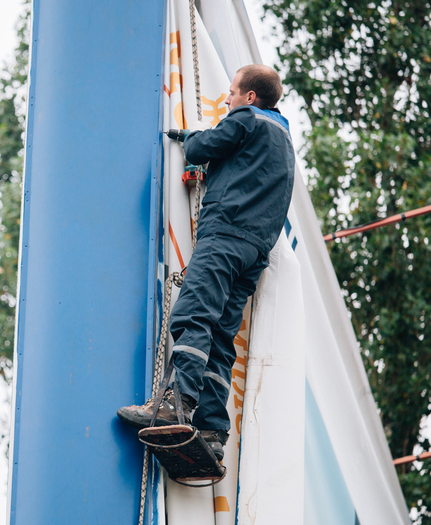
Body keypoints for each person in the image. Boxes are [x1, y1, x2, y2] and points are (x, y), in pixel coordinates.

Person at [117, 65, 295, 461]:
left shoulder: (246, 119)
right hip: (254, 253)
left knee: (193, 315)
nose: (228, 99)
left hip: (225, 237)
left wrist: (193, 137)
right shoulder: (283, 137)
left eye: (232, 93)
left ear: (250, 97)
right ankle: (214, 430)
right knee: (219, 339)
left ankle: (172, 405)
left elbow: (201, 148)